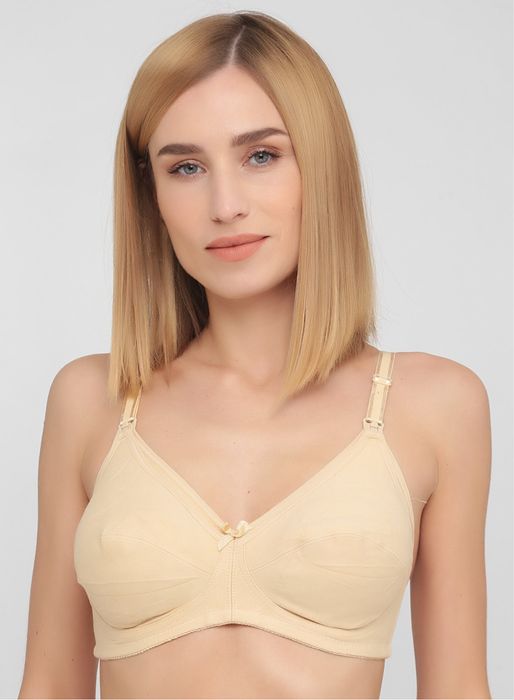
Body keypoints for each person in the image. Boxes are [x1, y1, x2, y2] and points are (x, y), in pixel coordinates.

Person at [18, 10, 492, 700]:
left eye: (261, 156)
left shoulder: (434, 406)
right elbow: (48, 686)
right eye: (185, 167)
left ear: (321, 167)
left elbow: (459, 689)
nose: (226, 204)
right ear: (151, 196)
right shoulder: (92, 400)